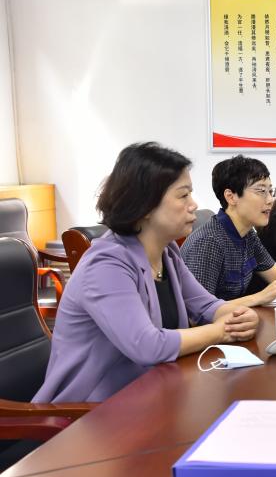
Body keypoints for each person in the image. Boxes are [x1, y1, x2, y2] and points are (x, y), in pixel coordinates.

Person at [33, 142, 260, 403]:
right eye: (183, 195)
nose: (193, 204)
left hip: (153, 394)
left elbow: (207, 305)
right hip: (90, 411)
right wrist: (222, 331)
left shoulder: (167, 252)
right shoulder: (106, 265)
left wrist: (239, 316)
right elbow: (146, 346)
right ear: (146, 205)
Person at [182, 155, 276, 305]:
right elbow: (200, 309)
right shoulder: (208, 242)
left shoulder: (248, 234)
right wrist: (259, 297)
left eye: (270, 191)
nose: (270, 200)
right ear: (231, 197)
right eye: (261, 191)